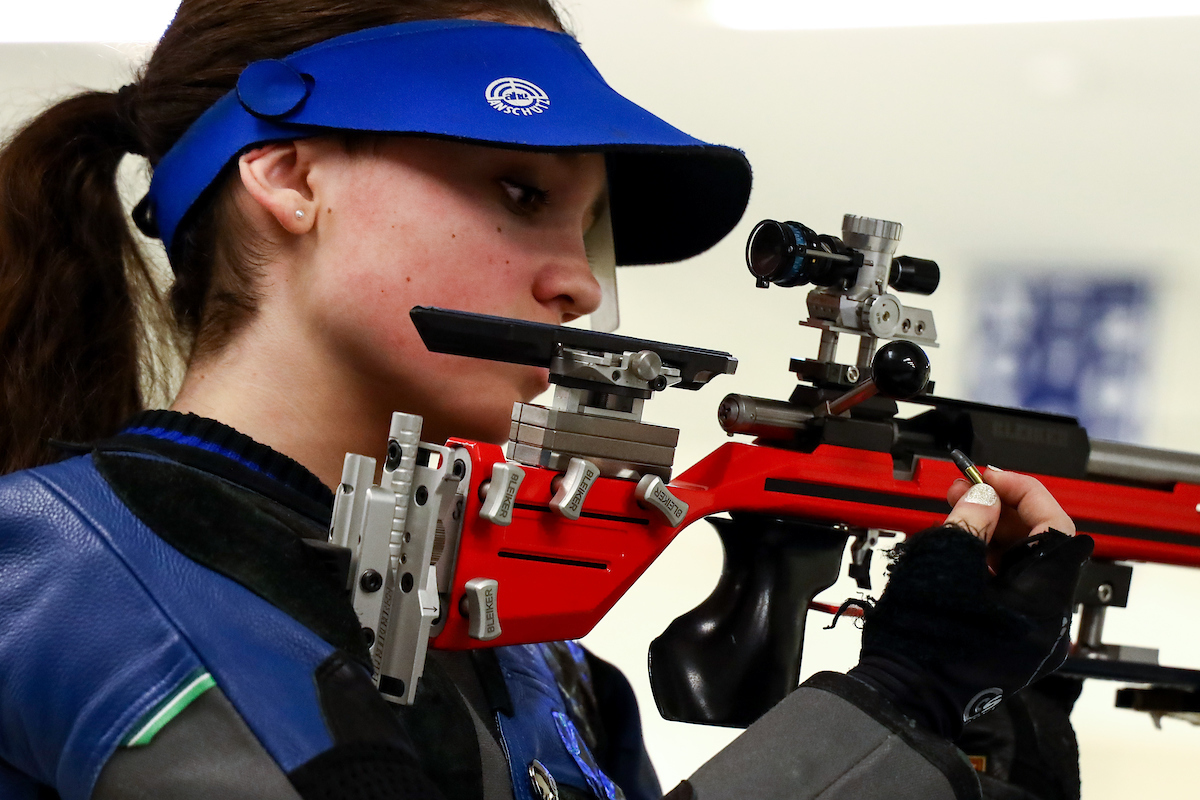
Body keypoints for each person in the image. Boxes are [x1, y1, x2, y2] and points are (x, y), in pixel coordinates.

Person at [0, 2, 1093, 799]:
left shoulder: (545, 663)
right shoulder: (49, 575)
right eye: (521, 192)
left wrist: (968, 744)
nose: (577, 282)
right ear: (288, 175)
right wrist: (892, 711)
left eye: (587, 229)